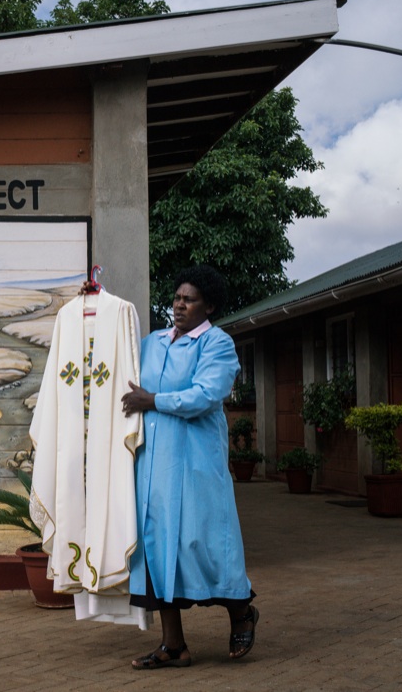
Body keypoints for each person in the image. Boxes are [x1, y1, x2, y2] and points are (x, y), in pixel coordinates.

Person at [120, 265, 258, 670]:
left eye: (189, 300)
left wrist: (153, 400)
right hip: (153, 466)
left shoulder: (217, 344)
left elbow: (204, 395)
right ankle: (173, 645)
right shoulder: (152, 343)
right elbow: (115, 360)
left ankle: (242, 612)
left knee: (207, 543)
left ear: (208, 306)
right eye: (177, 298)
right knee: (157, 546)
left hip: (195, 464)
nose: (179, 305)